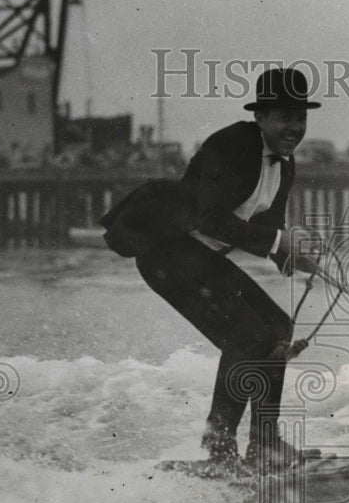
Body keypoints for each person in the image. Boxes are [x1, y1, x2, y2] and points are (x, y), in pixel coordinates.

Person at [134, 68, 321, 475]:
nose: (294, 128)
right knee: (247, 337)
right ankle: (220, 450)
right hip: (166, 252)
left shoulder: (285, 165)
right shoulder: (232, 145)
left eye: (301, 119)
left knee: (278, 328)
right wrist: (276, 244)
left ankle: (265, 447)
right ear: (260, 118)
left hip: (202, 259)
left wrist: (289, 255)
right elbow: (204, 216)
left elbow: (265, 228)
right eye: (284, 117)